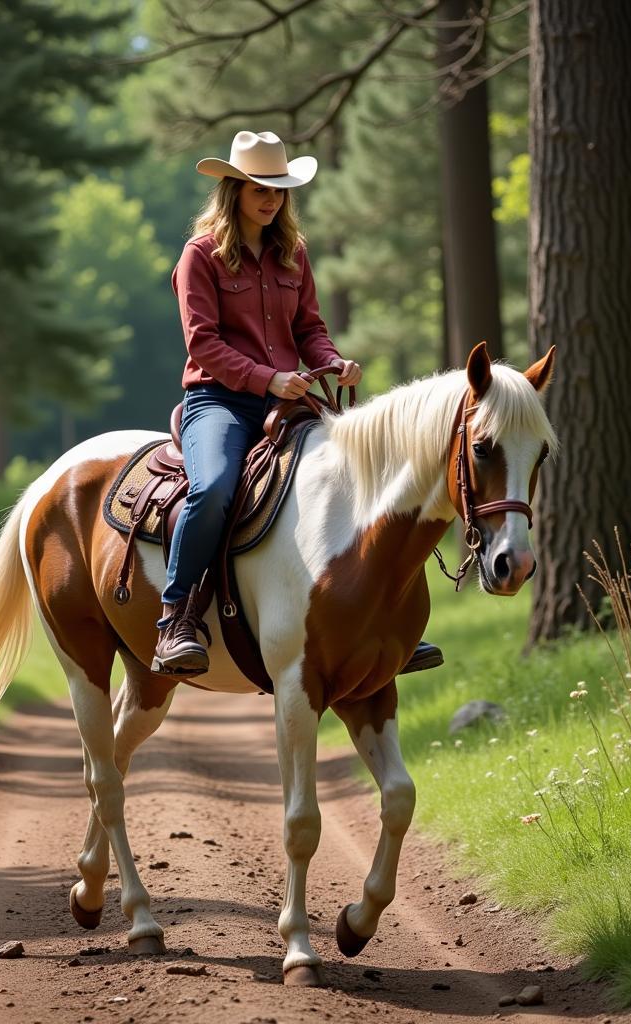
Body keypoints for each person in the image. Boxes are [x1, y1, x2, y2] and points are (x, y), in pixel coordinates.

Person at [154, 130, 443, 679]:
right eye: (260, 187)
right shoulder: (201, 256)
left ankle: (390, 621)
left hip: (291, 397)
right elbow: (204, 344)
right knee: (213, 488)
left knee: (365, 477)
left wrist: (334, 362)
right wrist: (268, 379)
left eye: (280, 188)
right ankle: (175, 618)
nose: (272, 198)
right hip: (218, 400)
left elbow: (310, 328)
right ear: (234, 189)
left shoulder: (293, 254)